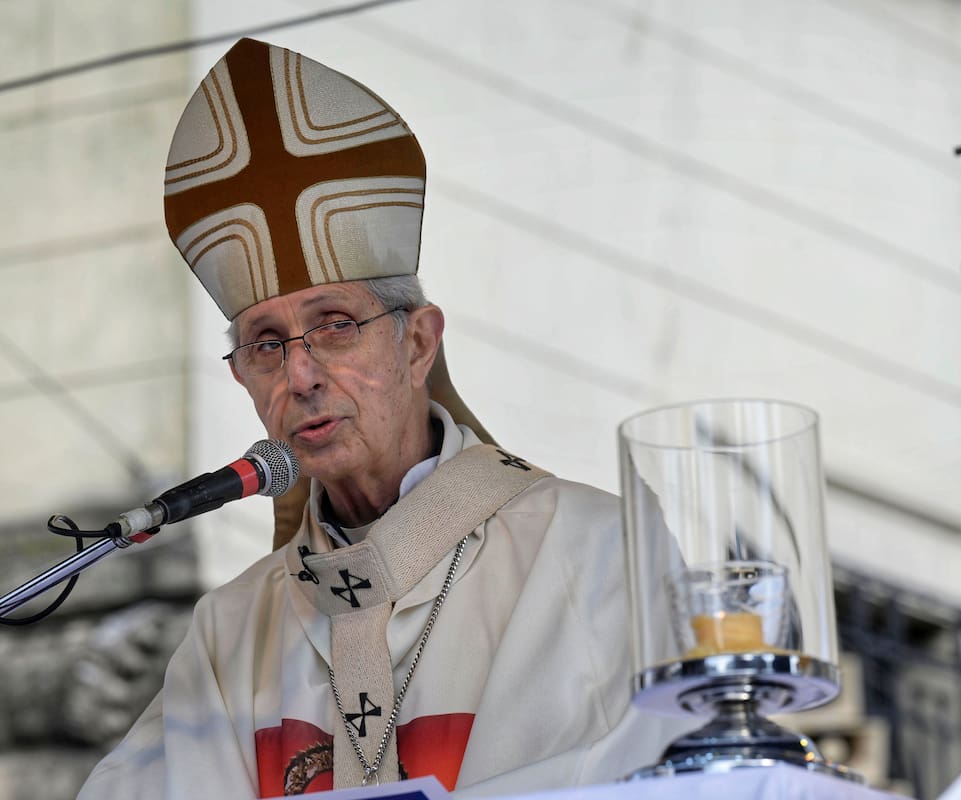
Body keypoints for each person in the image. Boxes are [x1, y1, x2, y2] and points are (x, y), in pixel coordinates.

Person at [78, 37, 681, 798]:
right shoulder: (230, 635)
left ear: (418, 341)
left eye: (334, 323)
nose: (299, 375)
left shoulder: (598, 555)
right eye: (264, 345)